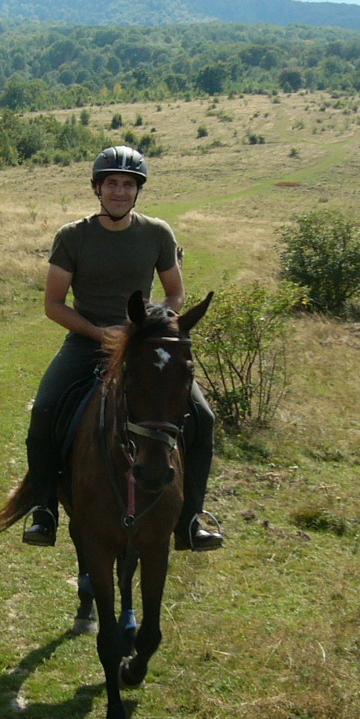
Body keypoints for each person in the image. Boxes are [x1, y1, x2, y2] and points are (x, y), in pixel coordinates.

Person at [20, 145, 222, 551]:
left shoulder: (157, 233)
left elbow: (176, 295)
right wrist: (103, 335)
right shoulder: (72, 237)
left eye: (127, 184)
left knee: (202, 417)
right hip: (87, 342)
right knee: (44, 409)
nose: (119, 191)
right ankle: (44, 510)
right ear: (98, 189)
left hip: (144, 345)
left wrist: (146, 330)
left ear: (137, 191)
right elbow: (54, 305)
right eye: (111, 183)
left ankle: (191, 519)